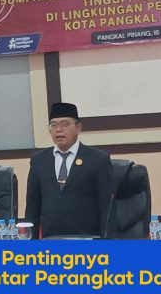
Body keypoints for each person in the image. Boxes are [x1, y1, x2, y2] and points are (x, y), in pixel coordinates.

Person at [25, 102, 113, 238]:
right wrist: (30, 241)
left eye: (65, 124)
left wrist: (107, 242)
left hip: (87, 238)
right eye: (53, 125)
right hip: (51, 239)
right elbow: (33, 205)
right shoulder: (39, 160)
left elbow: (106, 206)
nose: (58, 130)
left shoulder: (98, 159)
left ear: (78, 128)